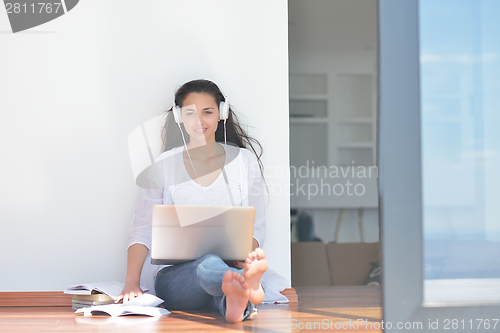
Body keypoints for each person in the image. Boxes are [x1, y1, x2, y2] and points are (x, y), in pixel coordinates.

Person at [116, 79, 269, 322]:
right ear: (179, 117)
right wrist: (131, 283)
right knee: (207, 265)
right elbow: (142, 228)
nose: (199, 121)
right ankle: (246, 286)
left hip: (230, 267)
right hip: (176, 279)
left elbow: (256, 226)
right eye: (190, 113)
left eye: (207, 112)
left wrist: (245, 254)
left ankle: (235, 302)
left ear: (222, 113)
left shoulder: (244, 162)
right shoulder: (164, 165)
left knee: (224, 283)